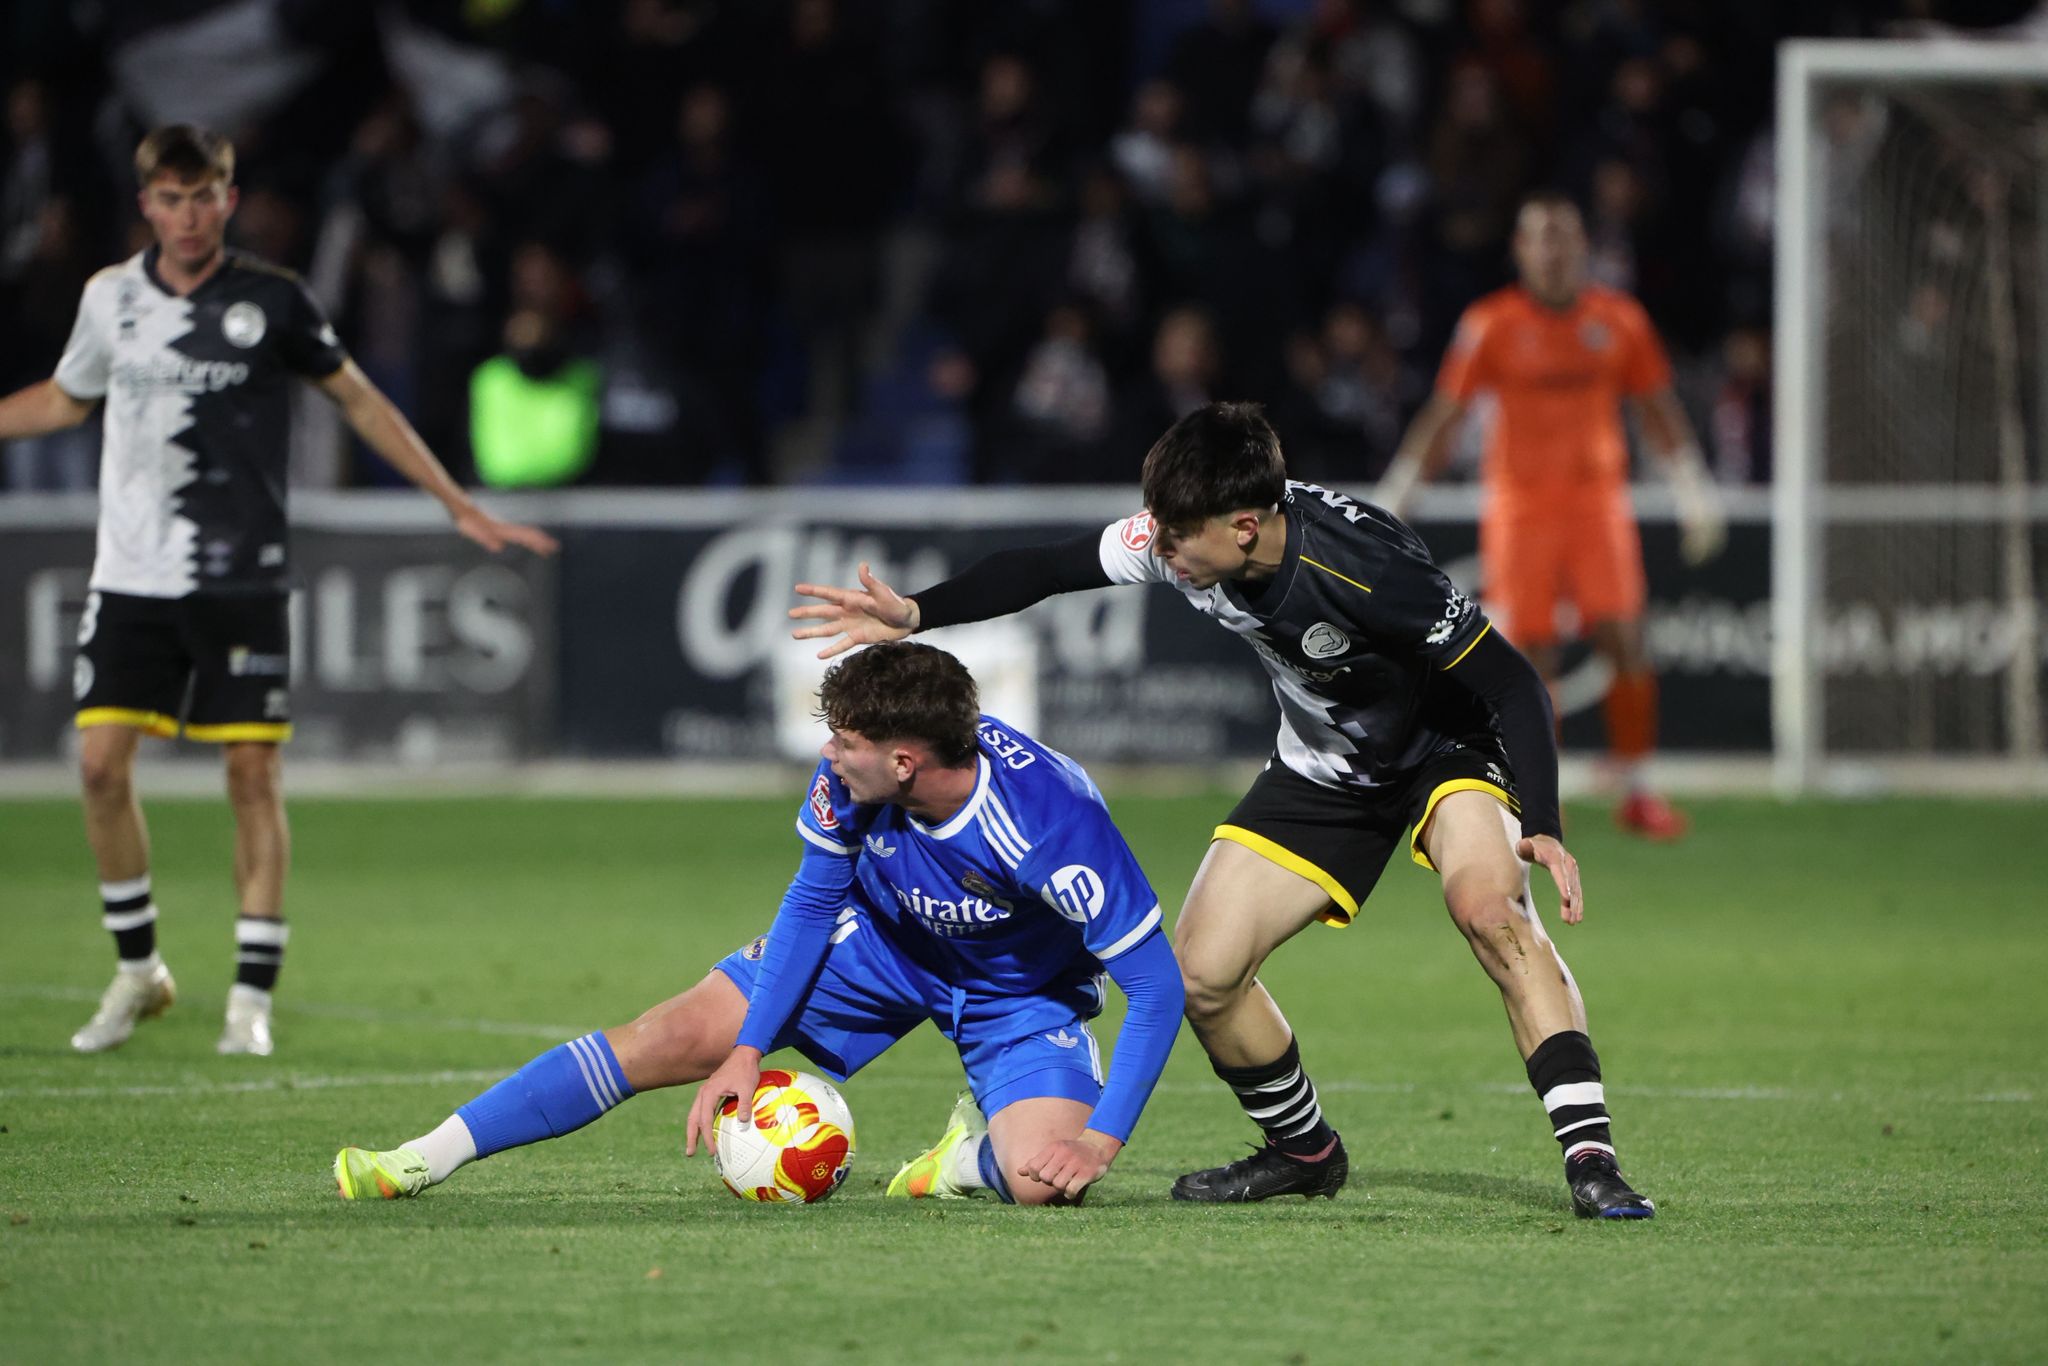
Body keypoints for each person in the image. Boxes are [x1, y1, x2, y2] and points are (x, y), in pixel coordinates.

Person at [792, 403, 1655, 1219]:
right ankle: (1304, 1151)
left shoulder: (1366, 566)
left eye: (1175, 537)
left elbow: (1510, 681)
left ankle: (1592, 1161)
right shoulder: (1181, 532)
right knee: (1201, 973)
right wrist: (918, 612)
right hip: (1325, 768)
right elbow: (1048, 567)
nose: (1158, 549)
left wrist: (1542, 821)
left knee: (1489, 910)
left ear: (1244, 526)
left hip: (1447, 750)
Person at [0, 125, 556, 1058]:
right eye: (170, 199)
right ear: (146, 205)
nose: (188, 216)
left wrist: (455, 502)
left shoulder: (275, 300)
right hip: (130, 576)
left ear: (228, 199)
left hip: (242, 578)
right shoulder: (110, 299)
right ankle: (139, 971)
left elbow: (359, 399)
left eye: (203, 197)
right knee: (98, 768)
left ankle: (250, 997)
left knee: (251, 775)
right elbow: (66, 397)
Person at [335, 641, 1182, 1206]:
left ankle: (961, 1161)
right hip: (880, 945)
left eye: (842, 741)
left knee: (1042, 1180)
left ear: (903, 762)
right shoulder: (852, 782)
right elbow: (813, 901)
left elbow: (1157, 987)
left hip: (1016, 990)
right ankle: (425, 1157)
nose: (827, 754)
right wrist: (747, 1047)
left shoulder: (1054, 827)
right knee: (671, 1035)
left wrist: (1102, 1141)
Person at [1376, 190, 1724, 840]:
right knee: (1530, 655)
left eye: (1563, 237)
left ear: (1583, 247)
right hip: (1520, 506)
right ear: (1520, 249)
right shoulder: (1491, 324)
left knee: (1625, 637)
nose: (1553, 251)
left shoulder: (1619, 320)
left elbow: (1657, 404)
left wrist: (1692, 488)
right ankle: (1540, 794)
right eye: (1541, 238)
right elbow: (1447, 413)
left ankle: (1638, 788)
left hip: (1598, 504)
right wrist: (1398, 494)